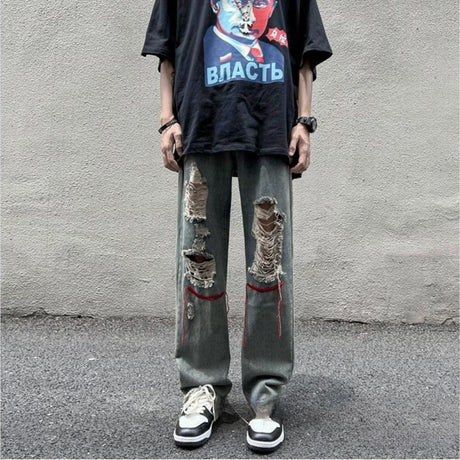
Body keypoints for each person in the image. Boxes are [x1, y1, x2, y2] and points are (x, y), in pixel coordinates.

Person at [141, 0, 332, 452]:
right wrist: (167, 119)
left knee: (269, 263)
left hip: (270, 126)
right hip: (200, 122)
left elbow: (305, 51)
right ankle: (201, 386)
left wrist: (304, 122)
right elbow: (167, 48)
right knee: (198, 262)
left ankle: (265, 393)